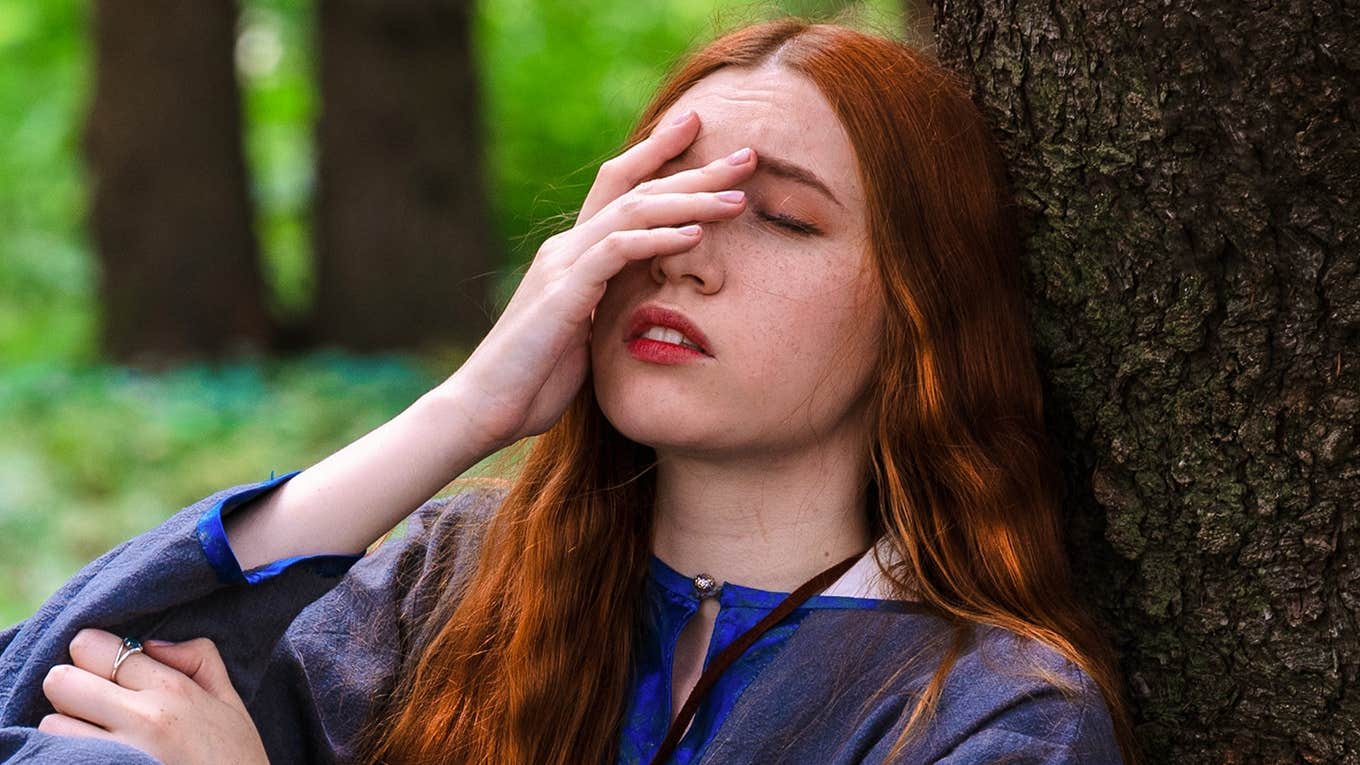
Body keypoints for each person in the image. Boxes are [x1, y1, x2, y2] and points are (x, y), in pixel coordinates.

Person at [0, 16, 1141, 765]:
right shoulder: (453, 577)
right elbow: (36, 696)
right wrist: (464, 413)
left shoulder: (994, 712)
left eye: (784, 219)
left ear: (920, 314)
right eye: (661, 205)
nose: (685, 255)